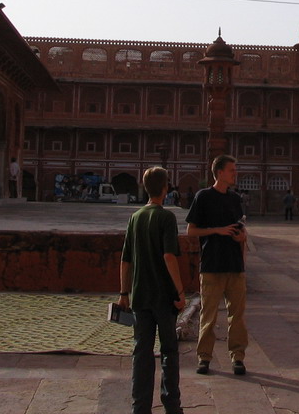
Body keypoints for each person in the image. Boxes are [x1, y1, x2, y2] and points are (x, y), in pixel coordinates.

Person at [117, 167, 186, 414]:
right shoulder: (166, 218)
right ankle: (172, 405)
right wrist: (179, 291)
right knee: (169, 351)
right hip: (163, 298)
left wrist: (124, 293)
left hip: (140, 297)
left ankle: (140, 406)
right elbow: (169, 256)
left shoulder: (135, 217)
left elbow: (126, 260)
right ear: (166, 188)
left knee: (141, 353)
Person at [186, 155, 248, 376]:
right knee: (209, 315)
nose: (235, 173)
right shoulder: (203, 197)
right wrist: (217, 230)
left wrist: (240, 238)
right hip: (212, 264)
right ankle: (204, 358)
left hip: (234, 265)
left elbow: (242, 229)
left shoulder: (235, 199)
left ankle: (238, 357)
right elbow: (191, 231)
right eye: (231, 170)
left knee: (237, 315)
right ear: (219, 172)